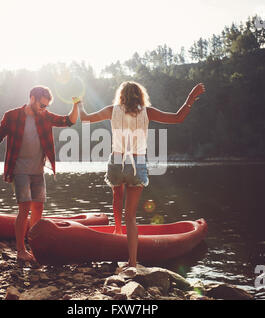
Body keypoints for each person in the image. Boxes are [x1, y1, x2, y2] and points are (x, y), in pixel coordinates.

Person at [77, 81, 205, 267]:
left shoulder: (112, 110)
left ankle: (118, 230)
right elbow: (178, 118)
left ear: (121, 95)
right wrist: (191, 97)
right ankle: (132, 262)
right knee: (131, 216)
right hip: (137, 162)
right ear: (140, 95)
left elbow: (86, 119)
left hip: (117, 161)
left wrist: (79, 104)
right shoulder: (147, 111)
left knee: (116, 195)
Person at [0, 85, 79, 264]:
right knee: (24, 208)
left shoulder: (45, 117)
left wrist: (76, 105)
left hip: (38, 171)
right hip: (19, 170)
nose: (44, 109)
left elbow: (69, 121)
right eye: (42, 105)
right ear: (32, 98)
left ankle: (35, 247)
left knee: (38, 209)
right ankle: (21, 250)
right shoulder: (12, 116)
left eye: (46, 106)